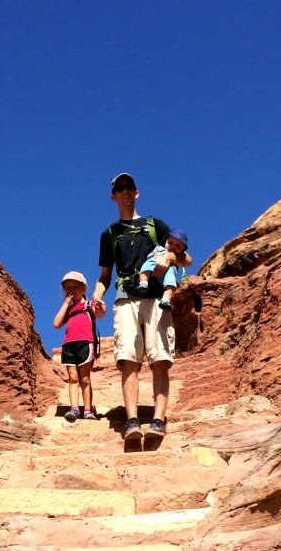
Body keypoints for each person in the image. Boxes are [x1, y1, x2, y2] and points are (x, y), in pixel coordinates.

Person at [91, 174, 191, 443]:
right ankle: (132, 420)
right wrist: (96, 297)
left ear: (137, 193)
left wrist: (169, 257)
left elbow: (186, 258)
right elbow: (104, 276)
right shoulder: (110, 234)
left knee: (160, 359)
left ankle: (158, 421)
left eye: (129, 188)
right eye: (119, 188)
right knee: (128, 361)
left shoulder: (154, 225)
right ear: (113, 196)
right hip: (125, 298)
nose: (125, 192)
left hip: (157, 298)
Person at [53, 271, 98, 422]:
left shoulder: (88, 304)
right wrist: (65, 304)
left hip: (85, 342)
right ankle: (74, 409)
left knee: (84, 378)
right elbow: (56, 324)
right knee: (73, 378)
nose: (71, 291)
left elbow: (100, 314)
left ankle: (88, 410)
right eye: (67, 288)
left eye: (75, 287)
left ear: (84, 288)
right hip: (69, 344)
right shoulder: (69, 308)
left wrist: (100, 306)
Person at [138, 228, 189, 310]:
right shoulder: (159, 248)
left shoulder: (177, 257)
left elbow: (188, 260)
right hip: (154, 264)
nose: (173, 246)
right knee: (146, 266)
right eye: (171, 242)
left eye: (178, 246)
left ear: (182, 250)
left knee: (171, 285)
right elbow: (150, 256)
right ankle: (143, 282)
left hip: (169, 272)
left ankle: (166, 300)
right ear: (166, 240)